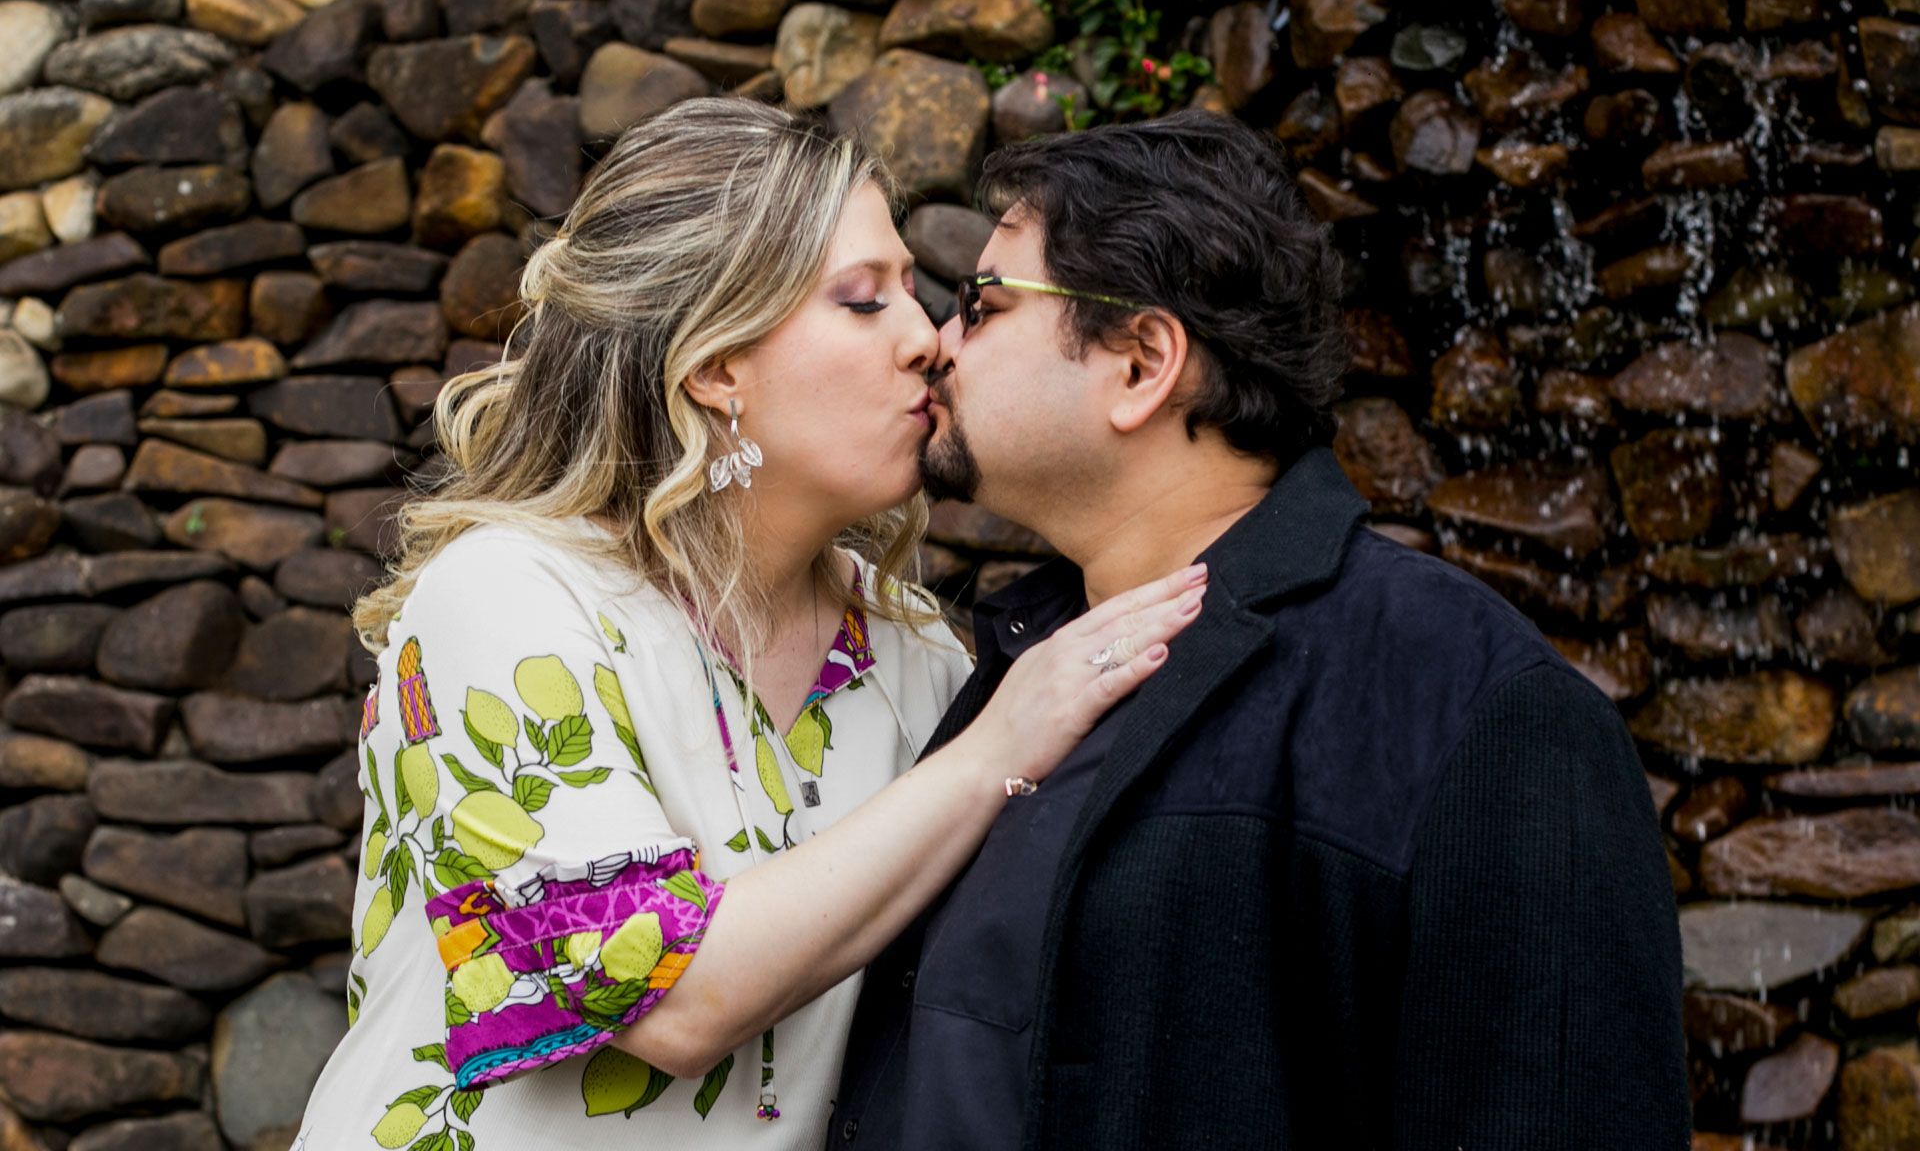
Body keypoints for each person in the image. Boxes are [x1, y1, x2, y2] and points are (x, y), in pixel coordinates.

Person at [290, 98, 1207, 1151]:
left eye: (920, 292)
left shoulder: (917, 653)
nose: (929, 341)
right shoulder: (510, 595)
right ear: (718, 365)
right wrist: (997, 749)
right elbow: (663, 996)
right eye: (864, 302)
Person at [833, 109, 1690, 1149]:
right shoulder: (999, 665)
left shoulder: (1474, 708)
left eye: (985, 302)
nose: (937, 342)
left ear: (1143, 362)